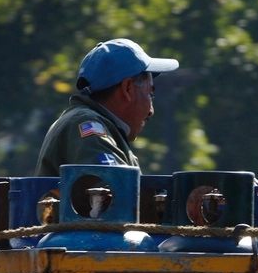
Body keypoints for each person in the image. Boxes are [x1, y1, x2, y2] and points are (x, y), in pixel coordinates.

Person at [35, 38, 178, 177]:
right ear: (128, 89)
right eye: (150, 94)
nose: (151, 111)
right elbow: (118, 194)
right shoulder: (88, 127)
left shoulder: (85, 122)